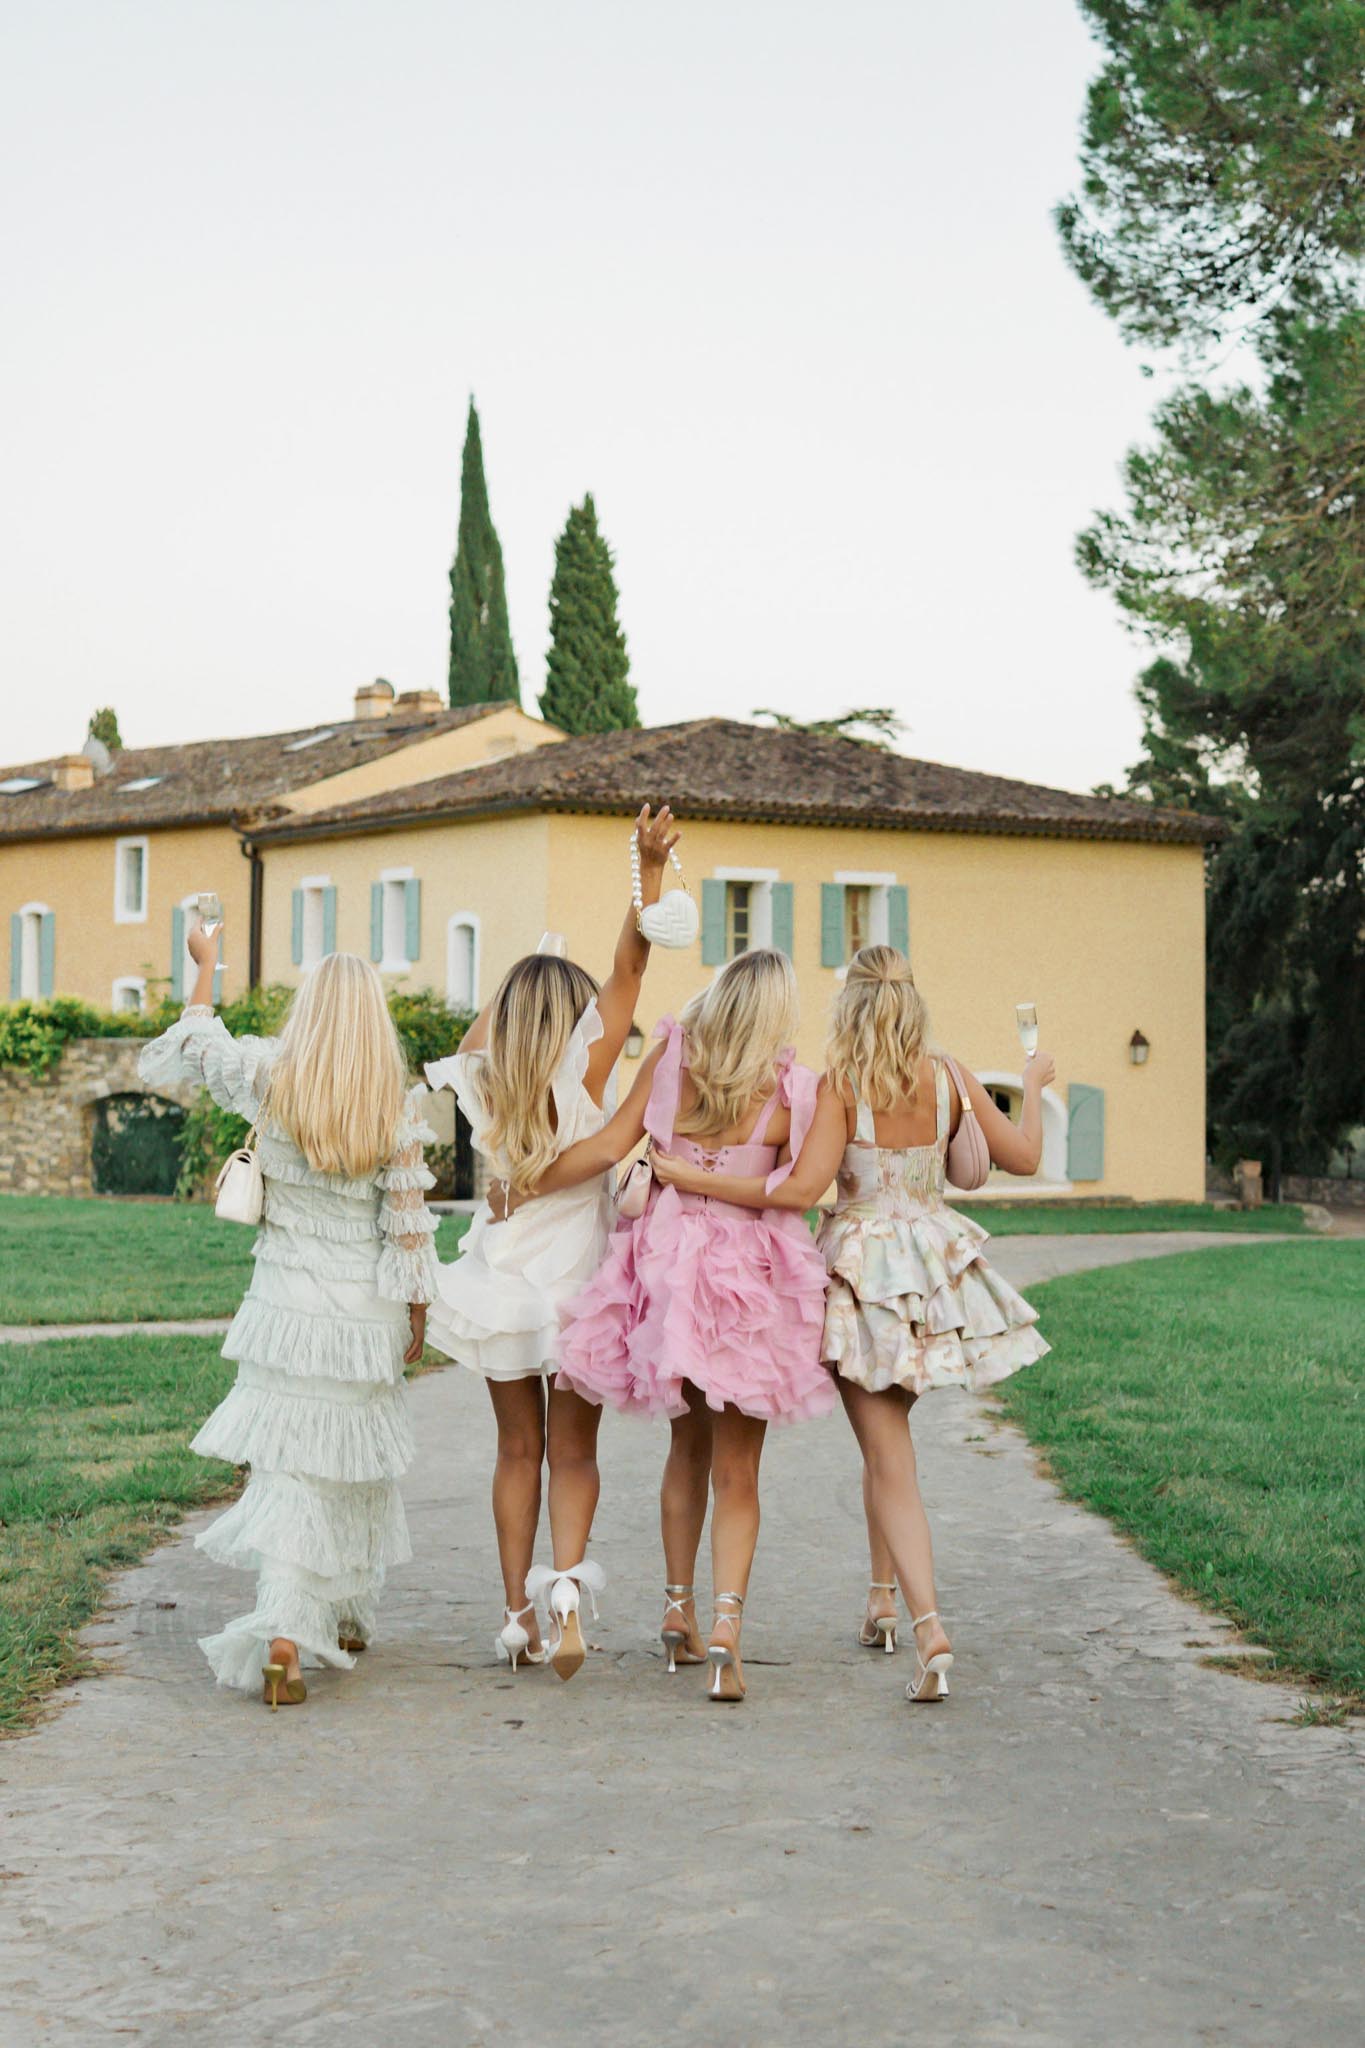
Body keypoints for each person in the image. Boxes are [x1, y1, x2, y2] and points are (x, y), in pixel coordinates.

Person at [654, 945, 1051, 1705]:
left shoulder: (840, 1087)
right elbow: (1024, 1157)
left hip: (865, 1274)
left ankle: (929, 1625)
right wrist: (1029, 1086)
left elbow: (800, 1189)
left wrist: (692, 1177)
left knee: (886, 1454)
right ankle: (881, 1600)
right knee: (889, 1450)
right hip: (934, 1272)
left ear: (852, 1009)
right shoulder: (950, 1076)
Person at [138, 925, 438, 1710]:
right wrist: (416, 1313)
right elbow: (407, 1230)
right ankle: (323, 1618)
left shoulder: (270, 1075)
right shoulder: (393, 1106)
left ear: (307, 1013)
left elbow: (198, 1041)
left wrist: (206, 966)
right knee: (348, 1467)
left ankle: (292, 1630)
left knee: (290, 1470)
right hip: (361, 1311)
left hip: (283, 1308)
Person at [526, 948, 833, 1705]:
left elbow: (607, 1147)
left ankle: (676, 1608)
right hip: (748, 1279)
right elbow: (799, 1191)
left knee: (684, 1447)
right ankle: (726, 1626)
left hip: (668, 1268)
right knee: (739, 1471)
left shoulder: (671, 1058)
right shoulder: (797, 1089)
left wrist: (525, 1181)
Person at [422, 805, 680, 1680]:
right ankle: (566, 1587)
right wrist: (643, 873)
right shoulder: (591, 1071)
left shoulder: (480, 1078)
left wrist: (516, 980)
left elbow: (491, 1025)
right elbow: (630, 962)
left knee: (514, 1452)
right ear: (574, 1019)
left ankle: (513, 1618)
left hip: (501, 1289)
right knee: (575, 1452)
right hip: (581, 1290)